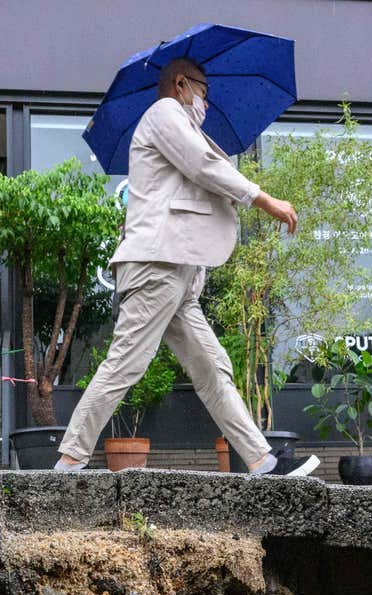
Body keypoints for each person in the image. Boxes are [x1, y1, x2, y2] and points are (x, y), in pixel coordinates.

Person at [53, 57, 320, 477]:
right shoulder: (164, 114)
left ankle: (261, 460)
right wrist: (264, 199)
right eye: (204, 92)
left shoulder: (178, 125)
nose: (207, 104)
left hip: (177, 272)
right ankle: (70, 460)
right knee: (127, 363)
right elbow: (203, 164)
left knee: (212, 367)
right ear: (181, 84)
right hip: (156, 266)